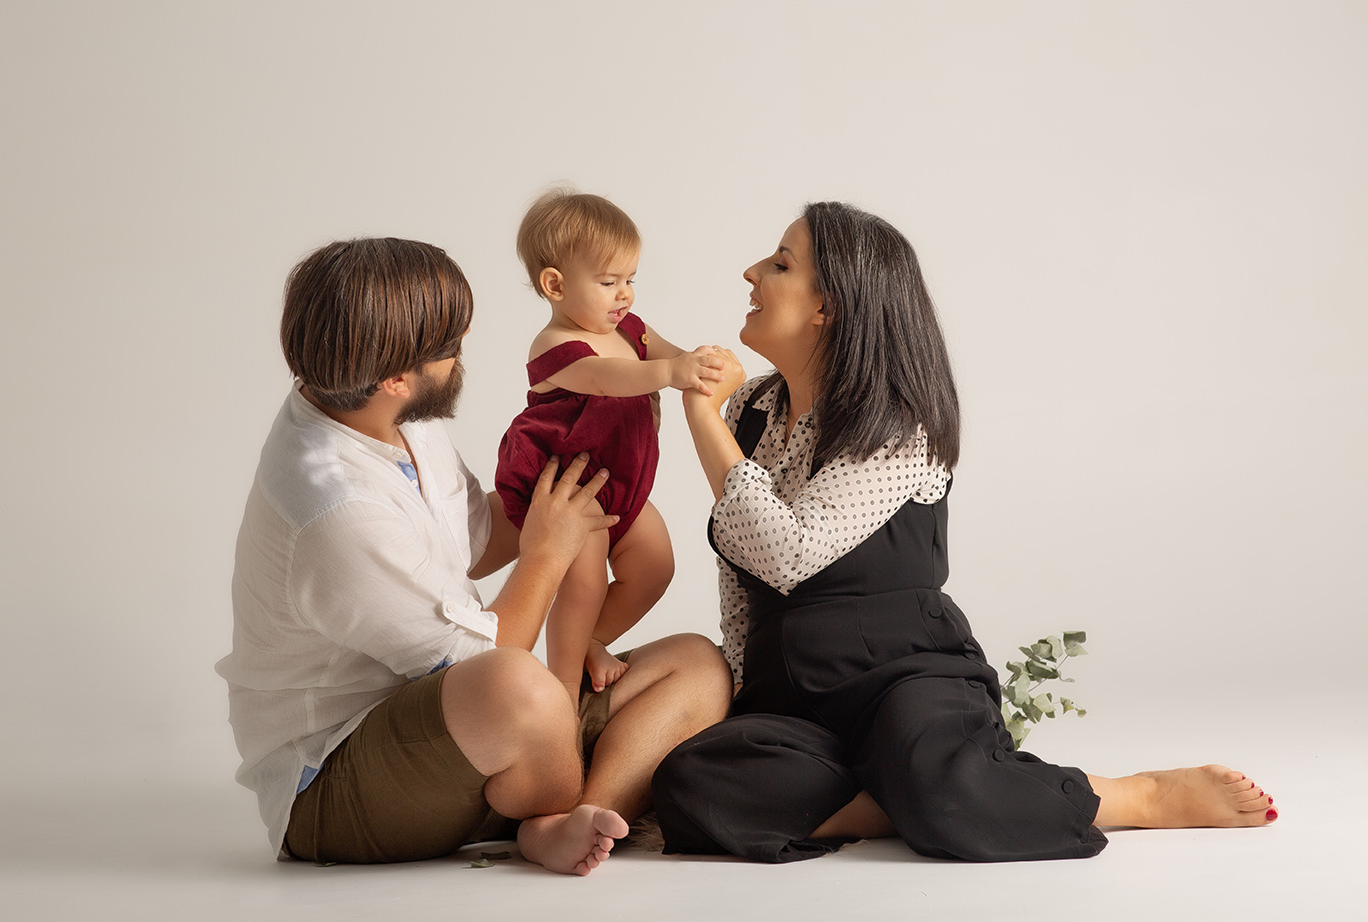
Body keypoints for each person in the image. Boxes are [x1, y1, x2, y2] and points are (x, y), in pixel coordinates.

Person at [651, 202, 1278, 863]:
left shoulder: (896, 425)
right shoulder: (751, 411)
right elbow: (741, 565)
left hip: (901, 678)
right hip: (795, 696)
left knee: (939, 778)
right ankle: (904, 801)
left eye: (779, 264)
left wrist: (698, 410)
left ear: (827, 308)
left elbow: (785, 551)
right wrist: (744, 684)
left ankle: (1134, 797)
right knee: (690, 781)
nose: (751, 273)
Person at [216, 237, 731, 875]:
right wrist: (546, 552)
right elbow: (485, 663)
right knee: (521, 685)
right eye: (451, 350)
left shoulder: (393, 415)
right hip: (334, 780)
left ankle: (562, 819)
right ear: (395, 376)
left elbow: (475, 536)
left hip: (475, 729)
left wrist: (574, 489)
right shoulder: (334, 510)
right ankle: (548, 803)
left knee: (698, 665)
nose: (464, 361)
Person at [496, 190, 725, 700]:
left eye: (630, 280)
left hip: (619, 484)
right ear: (555, 284)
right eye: (608, 282)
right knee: (586, 581)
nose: (625, 295)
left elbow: (670, 353)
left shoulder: (632, 330)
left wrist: (694, 361)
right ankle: (560, 683)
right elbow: (606, 379)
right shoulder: (556, 347)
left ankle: (594, 640)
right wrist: (668, 372)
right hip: (570, 491)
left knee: (655, 564)